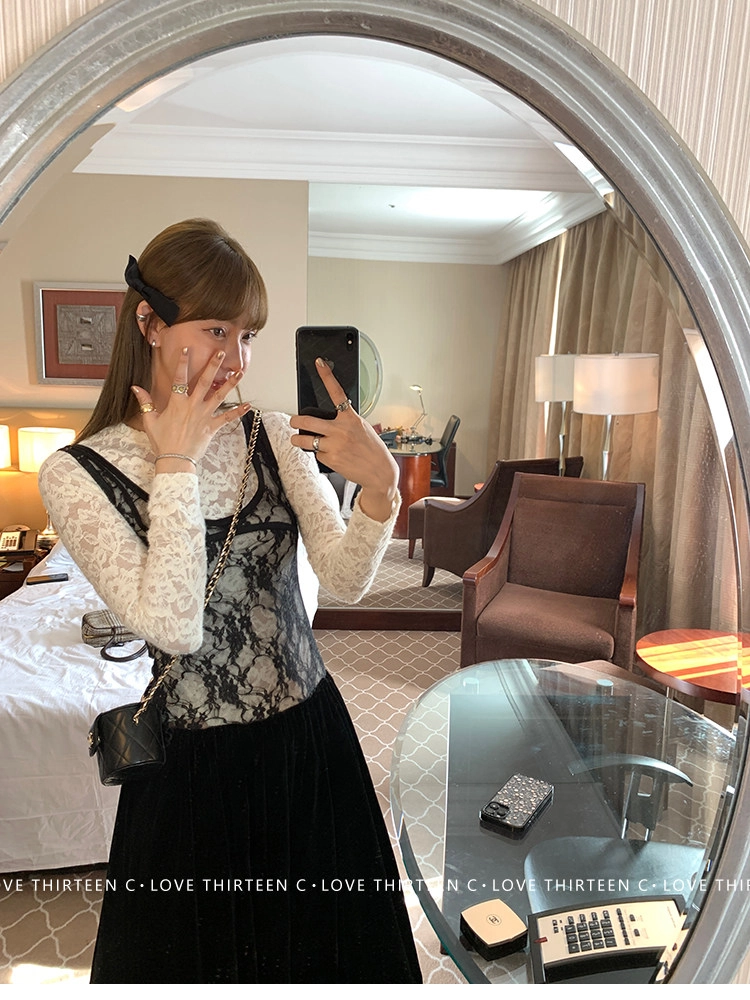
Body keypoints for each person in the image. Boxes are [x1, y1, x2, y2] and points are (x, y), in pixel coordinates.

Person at [38, 218, 422, 984]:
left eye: (248, 336)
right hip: (190, 775)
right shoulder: (75, 474)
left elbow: (344, 579)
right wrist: (175, 461)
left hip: (310, 743)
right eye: (216, 330)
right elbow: (174, 625)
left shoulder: (271, 435)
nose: (237, 359)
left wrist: (382, 490)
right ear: (149, 323)